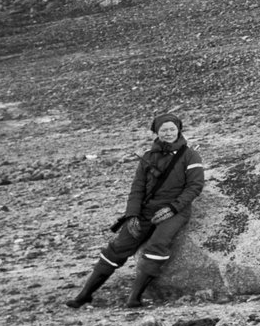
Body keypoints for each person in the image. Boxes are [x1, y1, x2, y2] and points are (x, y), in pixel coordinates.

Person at [70, 112, 205, 308]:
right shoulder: (148, 157)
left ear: (179, 130)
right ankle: (84, 295)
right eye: (164, 130)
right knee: (118, 248)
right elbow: (137, 188)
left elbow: (195, 186)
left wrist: (172, 208)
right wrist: (132, 214)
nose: (168, 133)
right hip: (146, 210)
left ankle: (135, 297)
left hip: (175, 211)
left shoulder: (191, 155)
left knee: (157, 245)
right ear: (156, 132)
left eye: (172, 129)